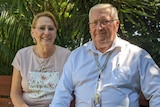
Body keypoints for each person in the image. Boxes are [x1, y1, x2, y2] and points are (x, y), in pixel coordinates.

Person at [49, 3, 160, 107]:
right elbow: (61, 95)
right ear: (89, 27)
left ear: (116, 25)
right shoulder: (76, 57)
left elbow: (157, 90)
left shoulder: (136, 55)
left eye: (104, 22)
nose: (99, 27)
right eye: (94, 23)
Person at [10, 11, 71, 107]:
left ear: (55, 32)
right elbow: (15, 93)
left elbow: (71, 91)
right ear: (33, 32)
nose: (46, 32)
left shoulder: (66, 56)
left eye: (50, 29)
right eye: (42, 28)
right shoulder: (22, 56)